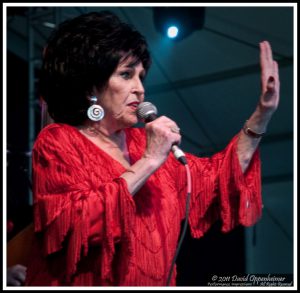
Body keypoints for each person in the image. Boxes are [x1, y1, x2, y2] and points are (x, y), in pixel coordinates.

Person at [24, 11, 279, 286]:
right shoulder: (59, 141)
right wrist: (149, 160)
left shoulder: (145, 144)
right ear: (91, 86)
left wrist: (262, 113)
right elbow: (73, 227)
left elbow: (219, 178)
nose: (139, 89)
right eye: (126, 74)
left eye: (141, 76)